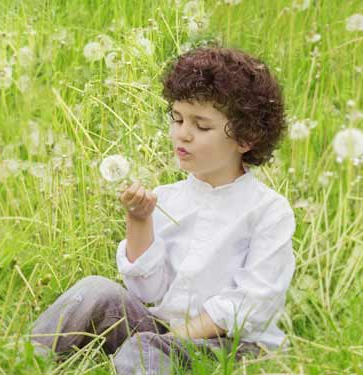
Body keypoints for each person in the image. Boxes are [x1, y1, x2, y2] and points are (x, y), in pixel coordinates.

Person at [29, 44, 296, 374]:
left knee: (145, 348)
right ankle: (24, 360)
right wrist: (138, 220)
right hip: (165, 334)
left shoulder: (268, 211)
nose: (182, 134)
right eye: (178, 118)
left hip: (232, 346)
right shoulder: (168, 198)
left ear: (246, 138)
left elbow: (252, 302)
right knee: (96, 290)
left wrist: (175, 335)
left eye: (201, 126)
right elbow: (148, 291)